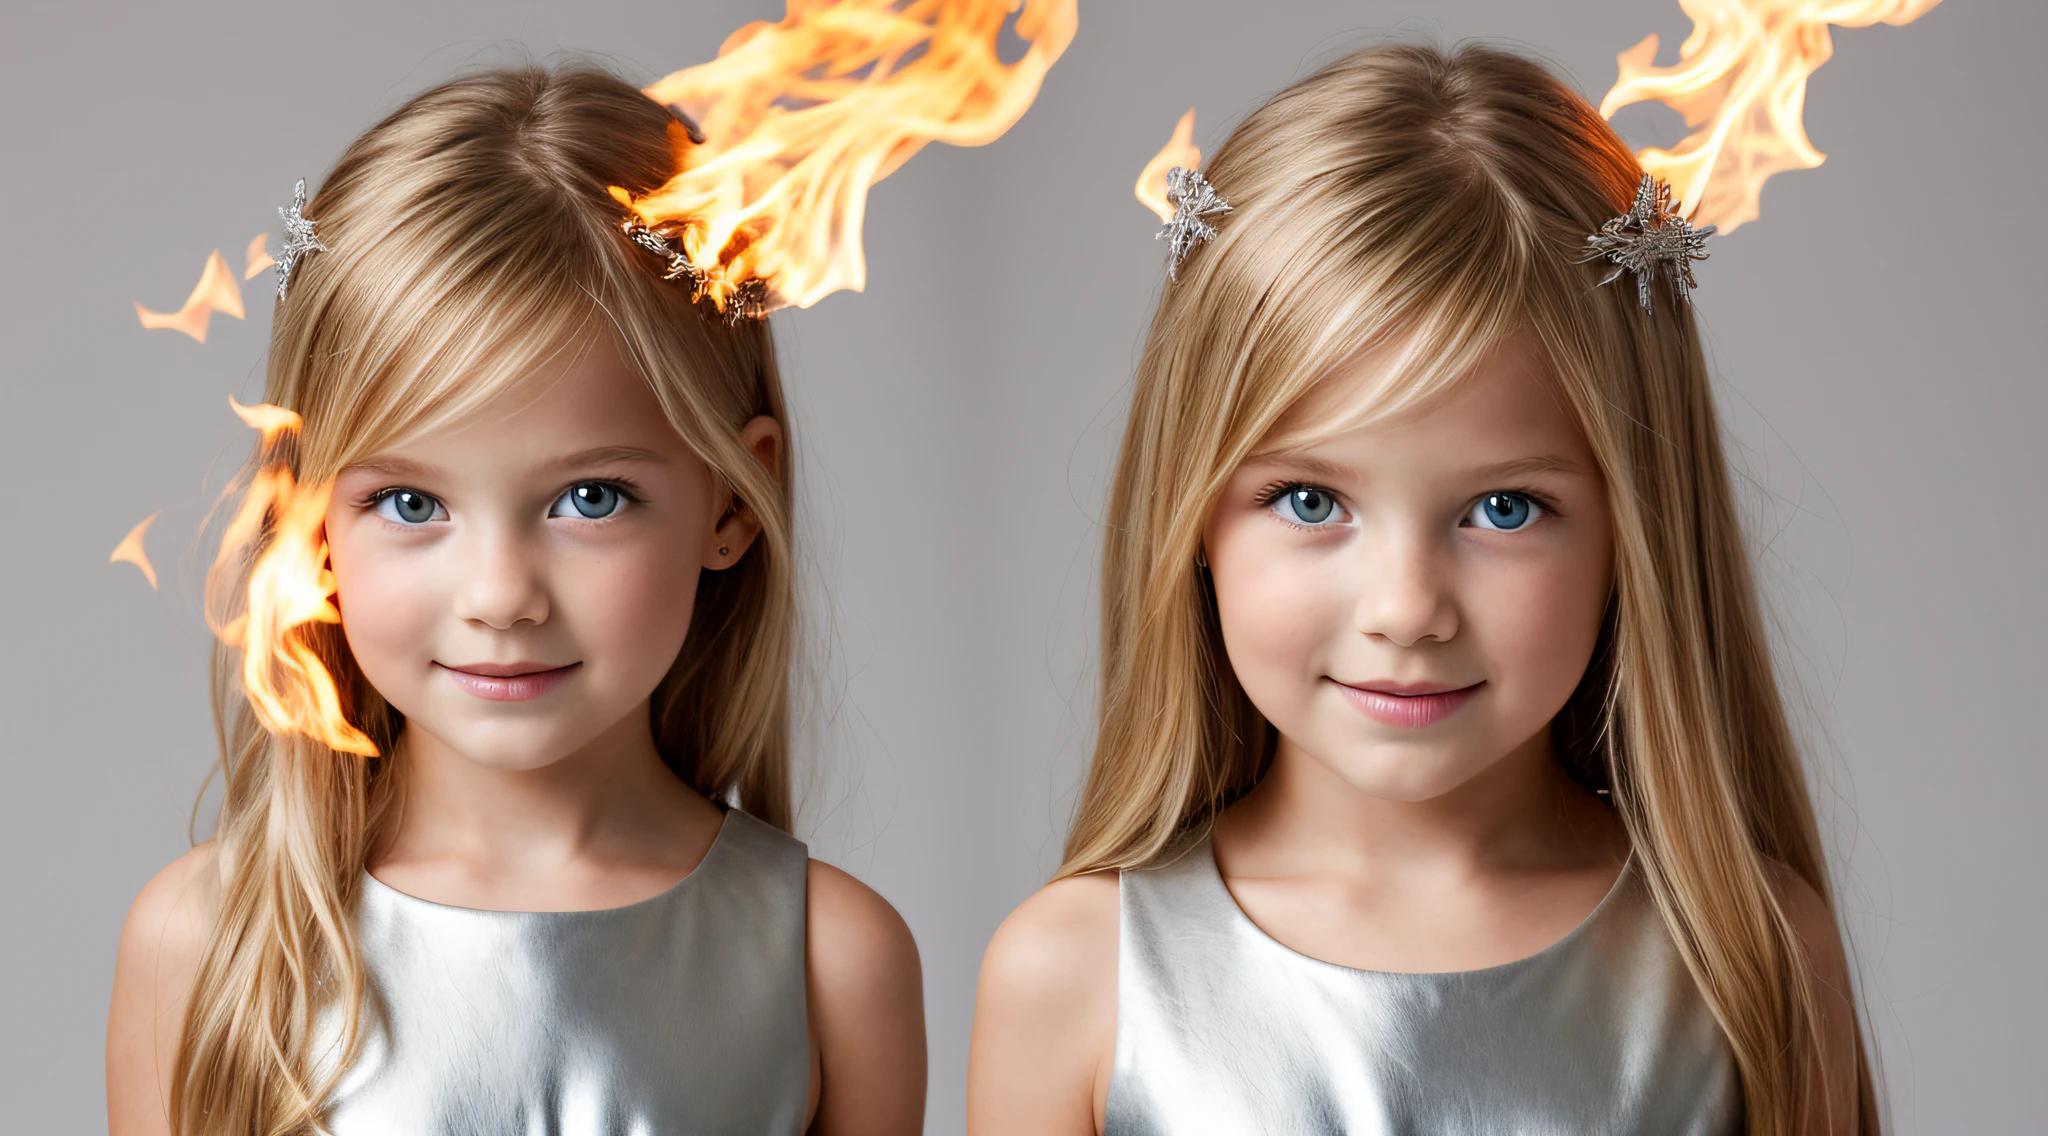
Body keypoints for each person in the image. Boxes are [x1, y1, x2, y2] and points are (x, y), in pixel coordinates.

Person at [970, 42, 1872, 1136]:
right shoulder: (1071, 976)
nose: (1405, 606)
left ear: (1636, 533)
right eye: (1308, 501)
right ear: (1190, 514)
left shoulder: (1752, 956)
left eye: (1502, 509)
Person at [106, 65, 925, 1136]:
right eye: (409, 500)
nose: (499, 594)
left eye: (591, 498)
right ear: (310, 516)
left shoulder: (830, 960)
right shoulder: (209, 939)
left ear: (735, 497)